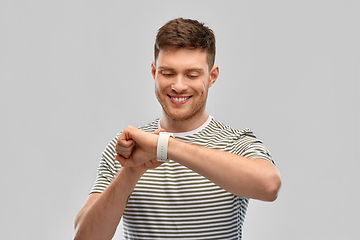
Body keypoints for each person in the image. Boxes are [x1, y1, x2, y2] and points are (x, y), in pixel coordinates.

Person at [74, 17, 282, 240]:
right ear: (154, 72)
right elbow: (84, 237)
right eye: (168, 73)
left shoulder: (236, 143)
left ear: (212, 77)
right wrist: (132, 171)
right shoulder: (128, 149)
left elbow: (269, 186)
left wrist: (164, 147)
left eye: (192, 75)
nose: (179, 86)